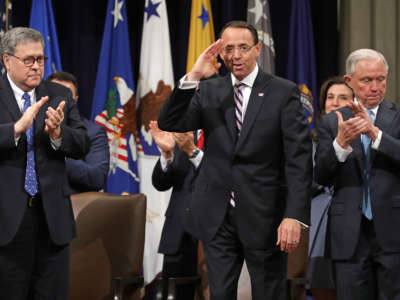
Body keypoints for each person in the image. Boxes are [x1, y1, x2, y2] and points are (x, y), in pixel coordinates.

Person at [158, 20, 312, 300]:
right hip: (217, 216)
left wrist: (293, 214)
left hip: (265, 216)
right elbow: (170, 120)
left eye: (243, 47)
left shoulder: (283, 92)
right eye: (228, 49)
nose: (235, 55)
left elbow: (298, 159)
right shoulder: (208, 90)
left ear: (257, 49)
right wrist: (194, 74)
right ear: (220, 52)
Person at [0, 27, 89, 300]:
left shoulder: (58, 95)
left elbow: (82, 143)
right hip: (6, 223)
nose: (36, 66)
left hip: (52, 222)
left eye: (40, 59)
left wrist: (59, 135)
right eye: (29, 60)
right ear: (7, 60)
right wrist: (16, 129)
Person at [315, 48, 400, 300]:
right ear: (350, 81)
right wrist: (340, 145)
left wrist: (376, 135)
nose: (375, 87)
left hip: (393, 231)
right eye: (366, 80)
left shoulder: (397, 116)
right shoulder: (333, 122)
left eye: (381, 79)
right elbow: (320, 176)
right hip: (348, 233)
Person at [308, 76, 354, 300]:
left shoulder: (363, 141)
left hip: (352, 223)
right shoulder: (309, 141)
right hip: (317, 222)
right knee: (321, 285)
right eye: (330, 97)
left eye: (343, 98)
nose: (334, 103)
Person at [150, 120, 201, 300]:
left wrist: (193, 152)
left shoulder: (227, 129)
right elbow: (160, 183)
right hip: (178, 234)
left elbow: (221, 175)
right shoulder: (183, 131)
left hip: (212, 234)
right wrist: (167, 154)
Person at [47, 71, 109, 193]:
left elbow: (97, 178)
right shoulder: (29, 127)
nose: (60, 102)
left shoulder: (93, 132)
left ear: (75, 100)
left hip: (71, 207)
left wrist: (57, 155)